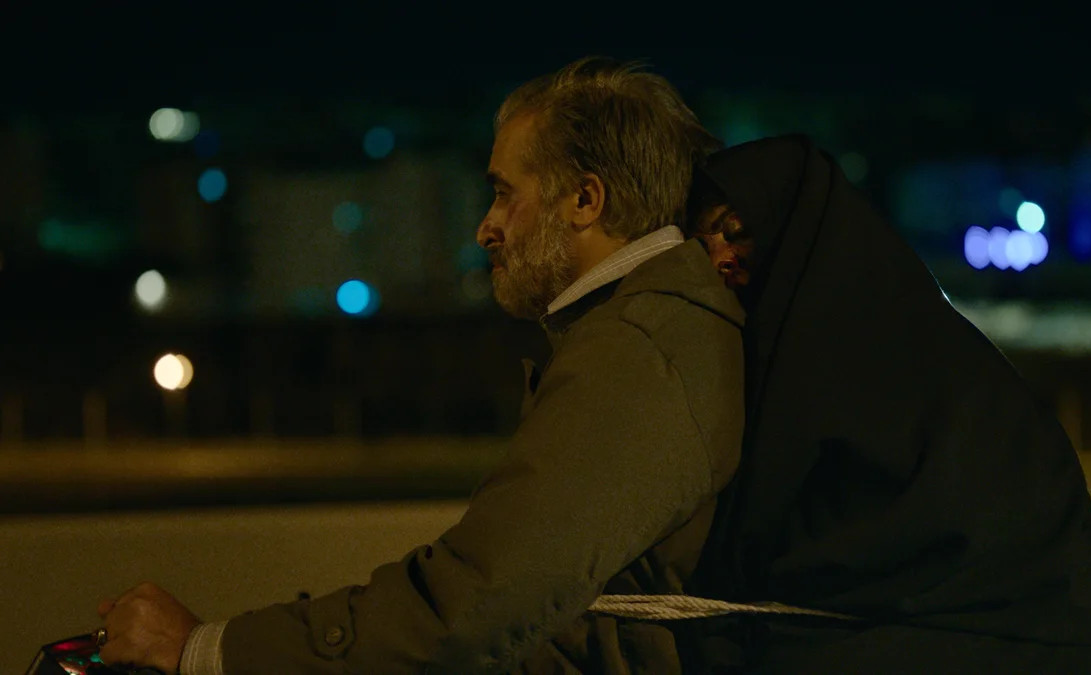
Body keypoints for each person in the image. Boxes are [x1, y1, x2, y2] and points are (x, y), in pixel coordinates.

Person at [95, 57, 743, 674]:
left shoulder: (635, 352)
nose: (486, 228)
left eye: (504, 194)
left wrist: (207, 650)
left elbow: (467, 608)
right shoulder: (650, 328)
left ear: (585, 200)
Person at [675, 134, 1091, 673]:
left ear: (794, 230)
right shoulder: (785, 350)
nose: (718, 256)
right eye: (700, 241)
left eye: (735, 230)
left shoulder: (876, 359)